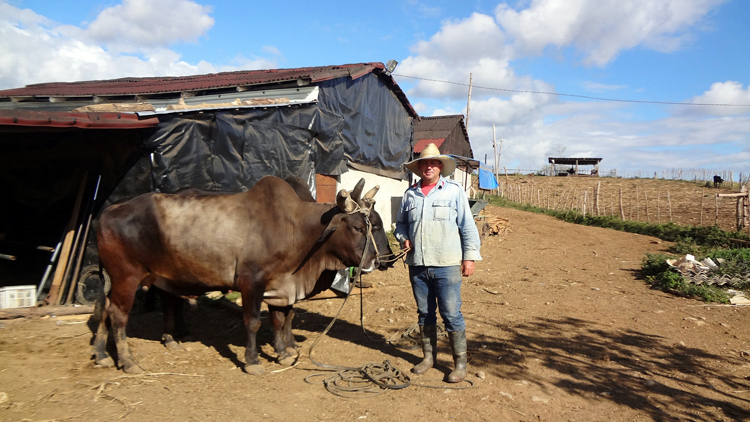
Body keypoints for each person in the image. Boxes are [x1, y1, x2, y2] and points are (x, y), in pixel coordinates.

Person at [394, 143, 482, 383]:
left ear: (440, 167)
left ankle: (460, 364)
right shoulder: (409, 194)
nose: (428, 167)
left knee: (451, 314)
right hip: (418, 265)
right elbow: (400, 224)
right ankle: (428, 358)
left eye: (433, 163)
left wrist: (470, 258)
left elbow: (467, 226)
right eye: (424, 163)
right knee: (425, 313)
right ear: (419, 168)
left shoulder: (453, 191)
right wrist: (404, 238)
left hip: (447, 264)